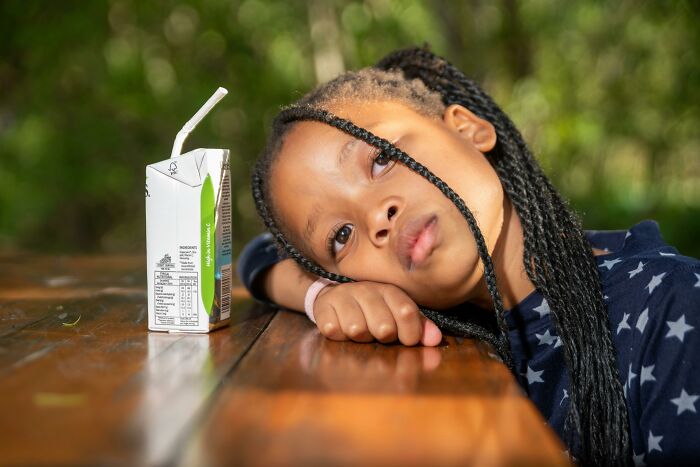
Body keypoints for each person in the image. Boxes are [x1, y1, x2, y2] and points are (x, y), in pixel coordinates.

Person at [236, 47, 700, 466]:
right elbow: (257, 256)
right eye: (341, 235)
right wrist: (319, 294)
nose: (377, 216)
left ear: (468, 129)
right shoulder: (443, 315)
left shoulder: (671, 309)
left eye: (380, 158)